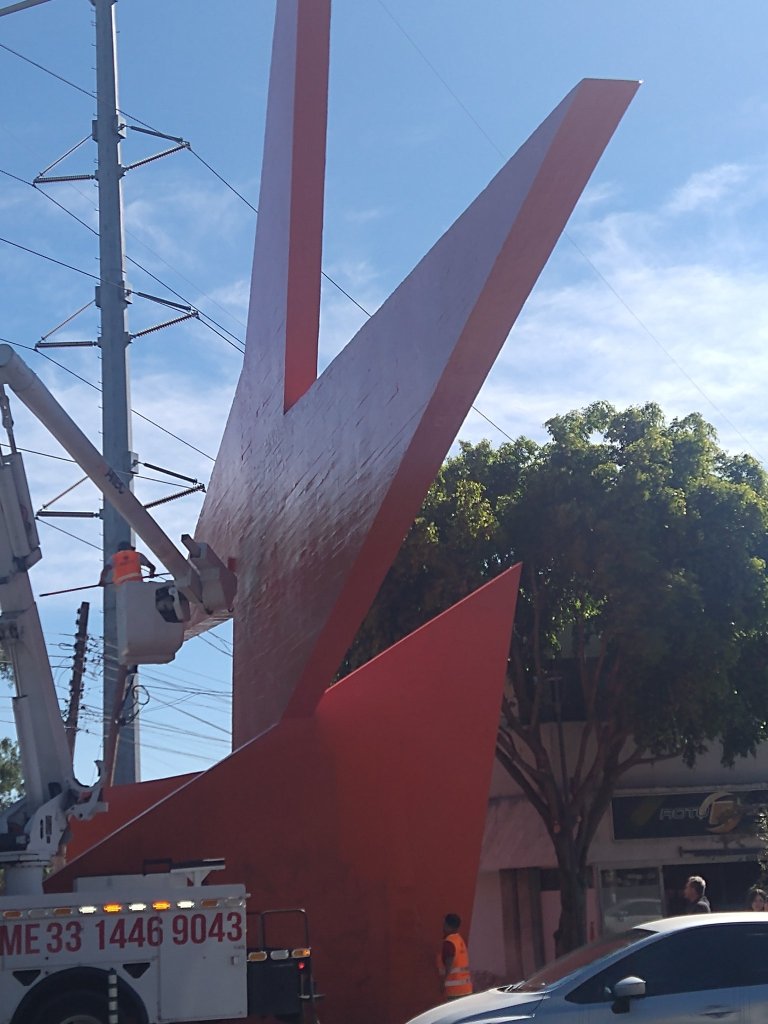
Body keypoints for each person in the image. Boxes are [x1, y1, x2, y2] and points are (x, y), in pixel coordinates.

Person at [438, 913, 472, 1001]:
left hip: (454, 991)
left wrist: (442, 983)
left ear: (446, 925)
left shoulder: (449, 942)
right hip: (466, 988)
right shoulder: (459, 940)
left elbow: (449, 964)